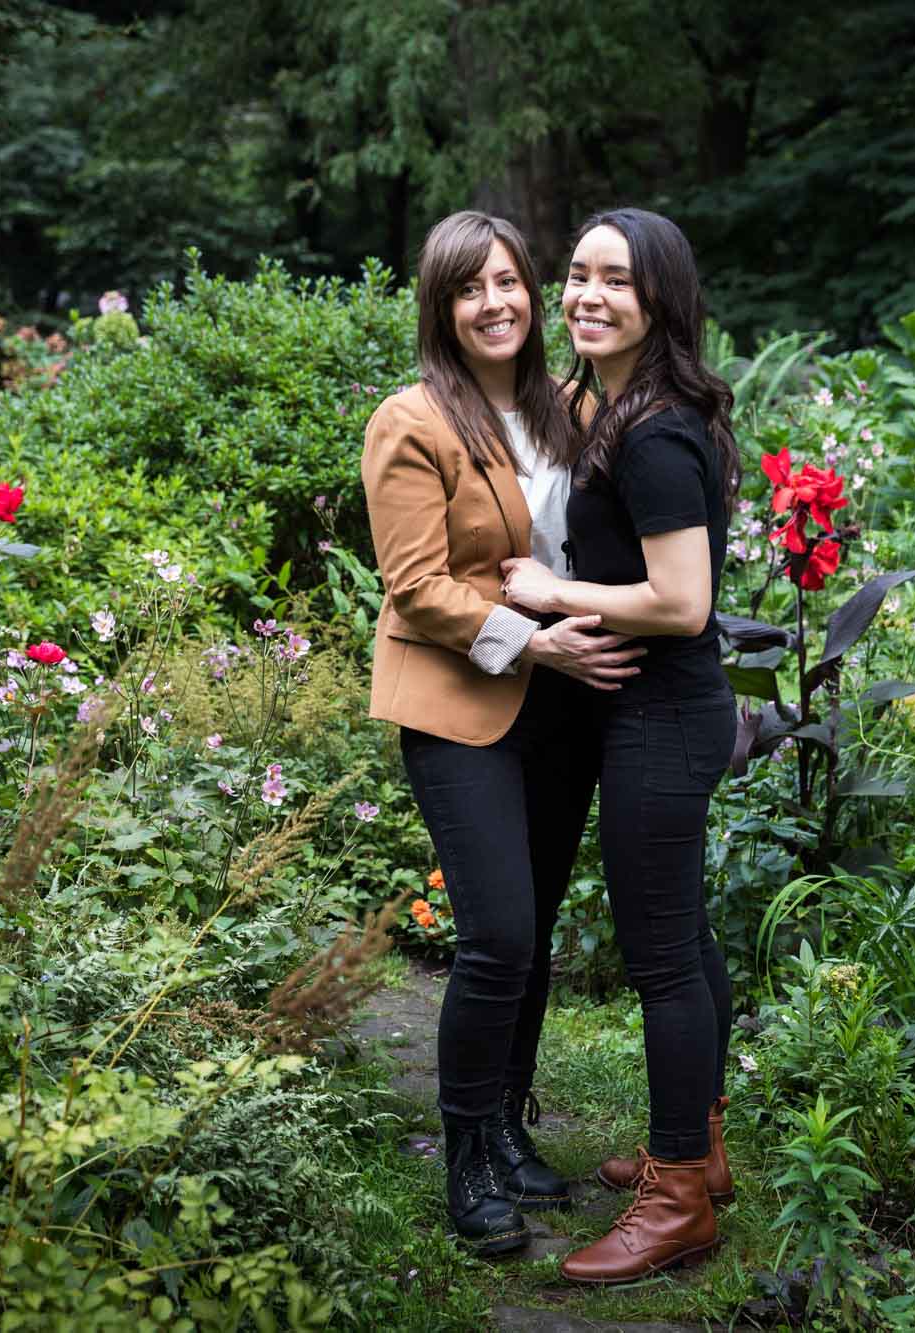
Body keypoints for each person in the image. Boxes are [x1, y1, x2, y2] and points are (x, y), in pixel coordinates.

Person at [360, 210, 646, 1256]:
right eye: (470, 288)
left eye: (510, 283)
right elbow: (418, 586)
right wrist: (538, 645)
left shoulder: (565, 410)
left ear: (532, 293)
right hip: (463, 703)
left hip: (563, 711)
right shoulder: (411, 419)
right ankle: (464, 1154)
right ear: (442, 308)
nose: (496, 304)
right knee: (497, 940)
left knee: (530, 947)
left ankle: (508, 1127)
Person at [497, 207, 739, 1284]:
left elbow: (682, 600)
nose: (587, 296)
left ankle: (678, 1192)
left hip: (661, 713)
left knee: (660, 961)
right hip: (643, 709)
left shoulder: (651, 431)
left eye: (616, 283)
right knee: (681, 938)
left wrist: (551, 591)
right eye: (577, 275)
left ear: (660, 301)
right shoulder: (609, 402)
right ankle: (704, 1145)